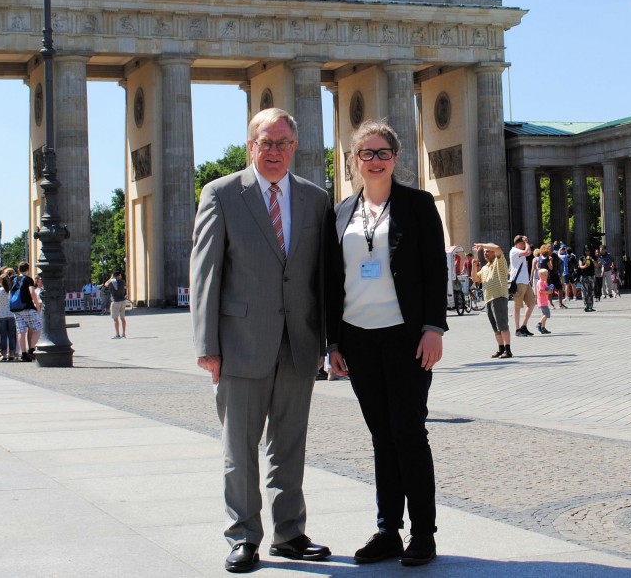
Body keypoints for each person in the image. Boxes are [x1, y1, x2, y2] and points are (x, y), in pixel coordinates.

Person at [190, 107, 332, 573]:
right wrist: (206, 344)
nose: (274, 152)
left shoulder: (315, 198)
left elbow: (322, 278)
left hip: (299, 341)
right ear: (250, 146)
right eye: (265, 143)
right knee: (240, 447)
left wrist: (329, 342)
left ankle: (289, 533)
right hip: (240, 342)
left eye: (283, 143)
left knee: (289, 445)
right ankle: (244, 535)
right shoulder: (222, 194)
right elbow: (205, 273)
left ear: (296, 146)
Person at [326, 120, 444, 566]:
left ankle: (424, 535)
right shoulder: (340, 212)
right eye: (366, 154)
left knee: (409, 433)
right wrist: (333, 342)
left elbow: (435, 268)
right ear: (353, 161)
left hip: (406, 336)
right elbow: (330, 279)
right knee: (381, 436)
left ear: (396, 158)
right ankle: (387, 531)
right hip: (358, 336)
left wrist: (434, 327)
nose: (374, 161)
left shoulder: (417, 204)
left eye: (383, 153)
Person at [472, 242, 512, 358]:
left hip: (499, 296)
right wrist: (474, 266)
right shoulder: (485, 268)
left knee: (502, 325)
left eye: (488, 251)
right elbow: (475, 278)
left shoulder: (499, 262)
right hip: (488, 299)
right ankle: (501, 349)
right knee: (495, 327)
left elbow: (498, 248)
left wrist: (482, 245)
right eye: (484, 252)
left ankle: (508, 350)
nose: (485, 253)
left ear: (494, 252)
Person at [11, 262, 42, 362]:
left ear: (18, 269)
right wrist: (37, 306)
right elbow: (32, 292)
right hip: (27, 307)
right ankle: (32, 350)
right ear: (28, 269)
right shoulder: (28, 279)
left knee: (21, 331)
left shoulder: (14, 280)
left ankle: (23, 354)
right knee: (37, 328)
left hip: (16, 309)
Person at [509, 236, 536, 336]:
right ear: (518, 243)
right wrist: (526, 242)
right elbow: (528, 252)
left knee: (532, 303)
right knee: (517, 307)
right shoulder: (514, 251)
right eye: (522, 243)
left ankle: (523, 326)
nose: (524, 245)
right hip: (518, 282)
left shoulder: (519, 251)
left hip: (525, 281)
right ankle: (517, 329)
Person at [0, 272, 17, 361]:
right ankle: (12, 354)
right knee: (11, 335)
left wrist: (1, 305)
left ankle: (4, 354)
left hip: (1, 315)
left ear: (0, 281)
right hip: (11, 315)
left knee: (3, 336)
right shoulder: (12, 291)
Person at [105, 271, 128, 338]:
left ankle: (117, 334)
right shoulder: (122, 282)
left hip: (115, 302)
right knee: (123, 318)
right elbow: (126, 287)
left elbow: (106, 284)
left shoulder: (112, 282)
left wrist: (111, 278)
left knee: (115, 319)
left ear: (114, 276)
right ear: (119, 275)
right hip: (122, 301)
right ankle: (123, 333)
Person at [535, 268, 553, 334]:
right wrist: (548, 292)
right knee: (547, 314)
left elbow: (546, 288)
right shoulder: (540, 282)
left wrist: (549, 288)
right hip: (542, 301)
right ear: (540, 275)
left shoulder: (543, 282)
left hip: (544, 301)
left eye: (547, 275)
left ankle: (543, 327)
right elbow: (541, 290)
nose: (546, 276)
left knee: (544, 314)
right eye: (545, 275)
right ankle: (539, 324)